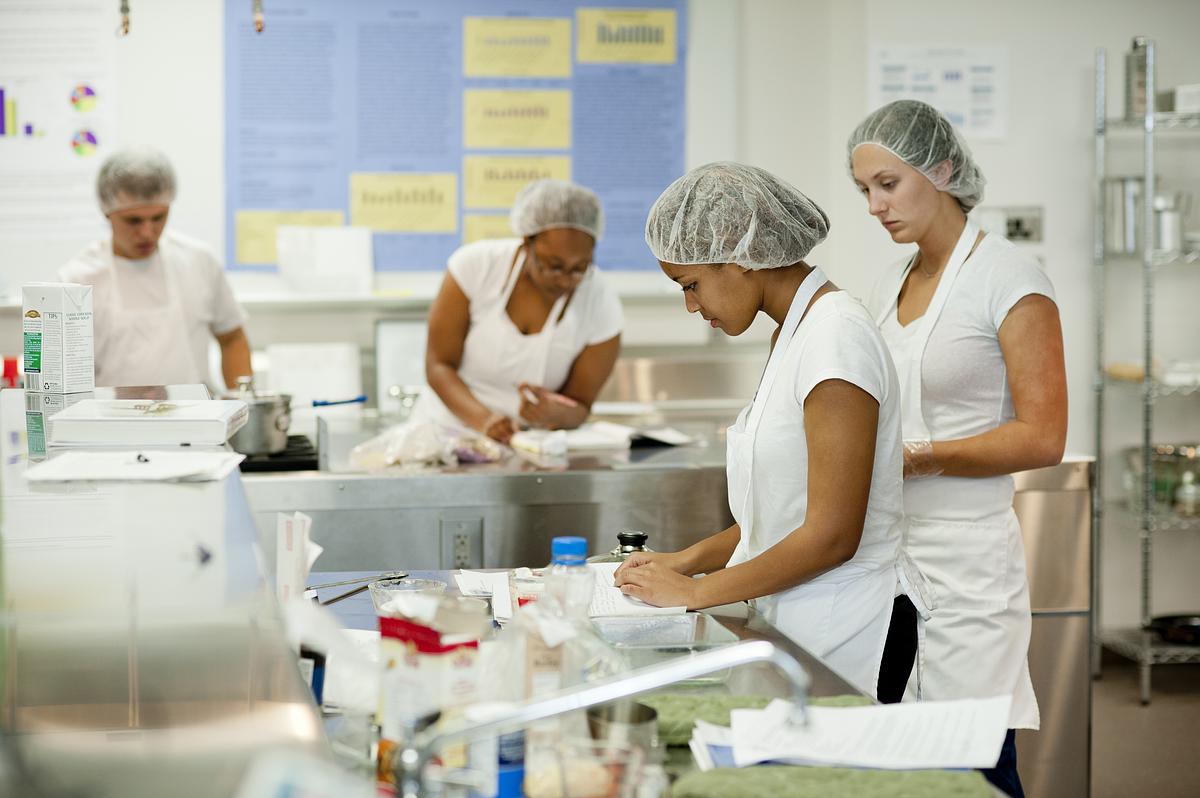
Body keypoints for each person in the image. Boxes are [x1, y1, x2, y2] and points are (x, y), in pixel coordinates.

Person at [614, 162, 920, 702]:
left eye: (691, 285)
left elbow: (832, 534)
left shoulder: (835, 339)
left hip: (847, 628)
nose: (692, 305)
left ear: (738, 256)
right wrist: (684, 561)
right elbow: (780, 510)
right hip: (799, 618)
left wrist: (695, 591)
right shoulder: (795, 333)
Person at [849, 99, 1067, 797]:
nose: (876, 206)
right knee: (900, 758)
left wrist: (920, 456)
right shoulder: (890, 284)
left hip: (968, 566)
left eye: (889, 184)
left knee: (972, 762)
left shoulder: (1010, 277)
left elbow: (1044, 436)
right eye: (864, 192)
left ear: (941, 169)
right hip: (888, 559)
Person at [415, 179, 623, 444]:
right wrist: (484, 420)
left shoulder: (599, 299)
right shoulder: (476, 267)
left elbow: (580, 407)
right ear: (527, 243)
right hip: (444, 433)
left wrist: (556, 412)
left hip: (528, 445)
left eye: (579, 268)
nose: (565, 280)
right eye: (553, 266)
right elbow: (438, 366)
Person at [59, 147, 251, 389]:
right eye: (133, 221)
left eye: (158, 218)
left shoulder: (198, 262)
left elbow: (232, 338)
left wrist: (241, 403)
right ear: (107, 212)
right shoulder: (77, 279)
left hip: (194, 420)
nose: (147, 232)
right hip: (111, 422)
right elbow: (64, 373)